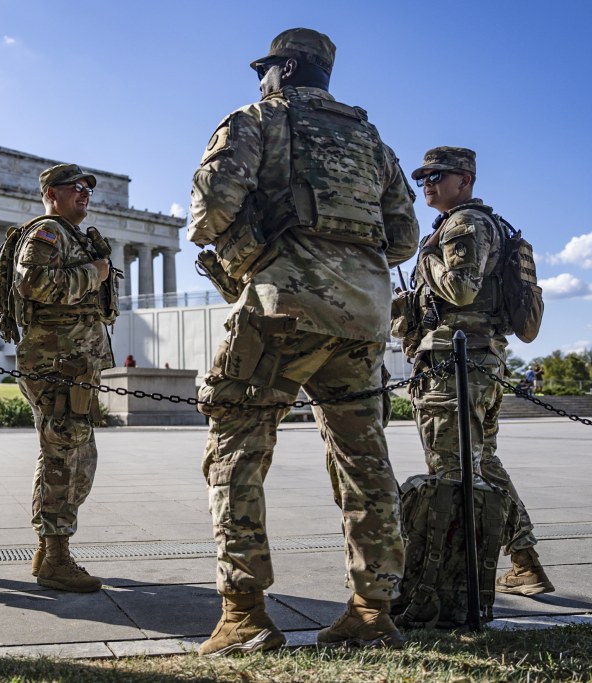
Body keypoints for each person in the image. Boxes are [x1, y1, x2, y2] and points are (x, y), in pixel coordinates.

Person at [188, 28, 420, 654]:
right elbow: (402, 238)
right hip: (364, 318)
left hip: (279, 309)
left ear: (285, 70)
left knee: (236, 450)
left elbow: (208, 210)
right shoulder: (374, 142)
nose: (260, 79)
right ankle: (373, 612)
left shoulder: (257, 120)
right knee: (365, 463)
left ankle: (244, 615)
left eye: (265, 69)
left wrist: (255, 242)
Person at [405, 146, 554, 596]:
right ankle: (525, 562)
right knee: (482, 465)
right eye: (423, 178)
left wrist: (426, 256)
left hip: (457, 365)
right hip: (474, 361)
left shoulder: (464, 224)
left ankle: (453, 587)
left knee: (452, 472)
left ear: (465, 179)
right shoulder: (471, 224)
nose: (427, 183)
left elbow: (463, 290)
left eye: (437, 175)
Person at [14, 163, 116, 593]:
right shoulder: (47, 233)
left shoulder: (74, 236)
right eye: (75, 188)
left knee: (73, 457)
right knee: (65, 459)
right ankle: (56, 557)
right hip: (56, 363)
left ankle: (48, 549)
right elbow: (32, 283)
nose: (84, 194)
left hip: (75, 363)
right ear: (52, 194)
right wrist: (94, 273)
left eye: (88, 188)